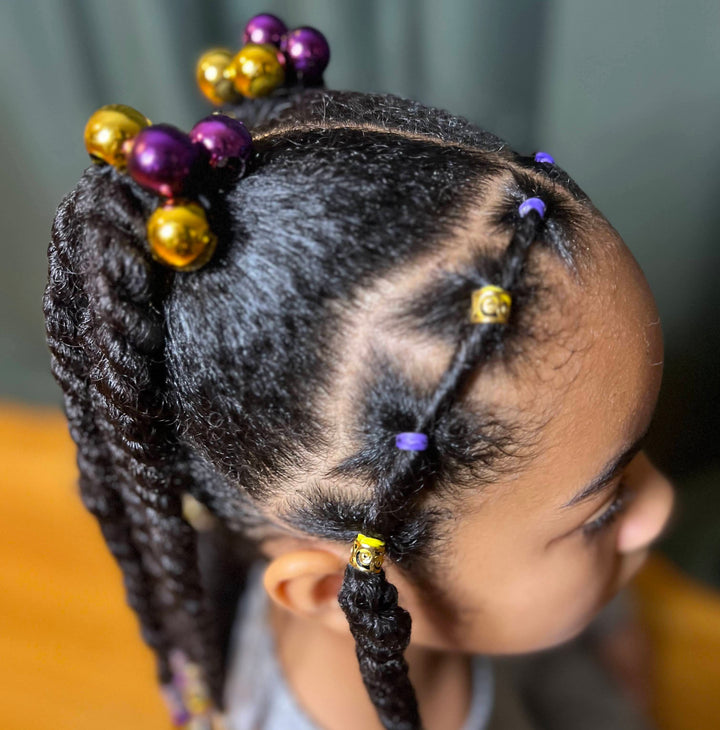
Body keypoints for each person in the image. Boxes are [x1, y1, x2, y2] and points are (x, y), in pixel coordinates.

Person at [43, 13, 675, 730]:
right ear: (328, 593)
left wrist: (614, 638)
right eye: (607, 507)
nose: (664, 508)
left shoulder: (482, 575)